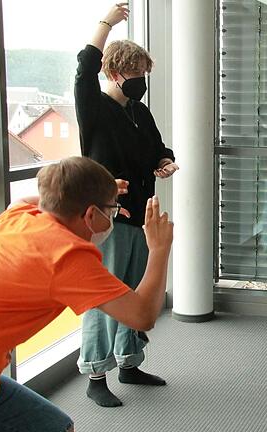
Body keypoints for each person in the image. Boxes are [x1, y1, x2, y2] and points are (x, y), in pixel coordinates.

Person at [0, 156, 173, 431]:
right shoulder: (66, 255)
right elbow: (142, 316)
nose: (113, 216)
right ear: (90, 214)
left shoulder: (19, 216)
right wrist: (159, 248)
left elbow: (39, 199)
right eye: (111, 211)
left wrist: (97, 194)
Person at [74, 4, 179, 407]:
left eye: (144, 75)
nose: (141, 81)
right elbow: (84, 67)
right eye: (136, 74)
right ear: (116, 73)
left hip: (141, 214)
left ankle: (129, 363)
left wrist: (163, 162)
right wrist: (106, 24)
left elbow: (157, 148)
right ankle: (95, 374)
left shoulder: (139, 112)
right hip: (109, 218)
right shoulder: (95, 108)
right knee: (105, 296)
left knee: (134, 291)